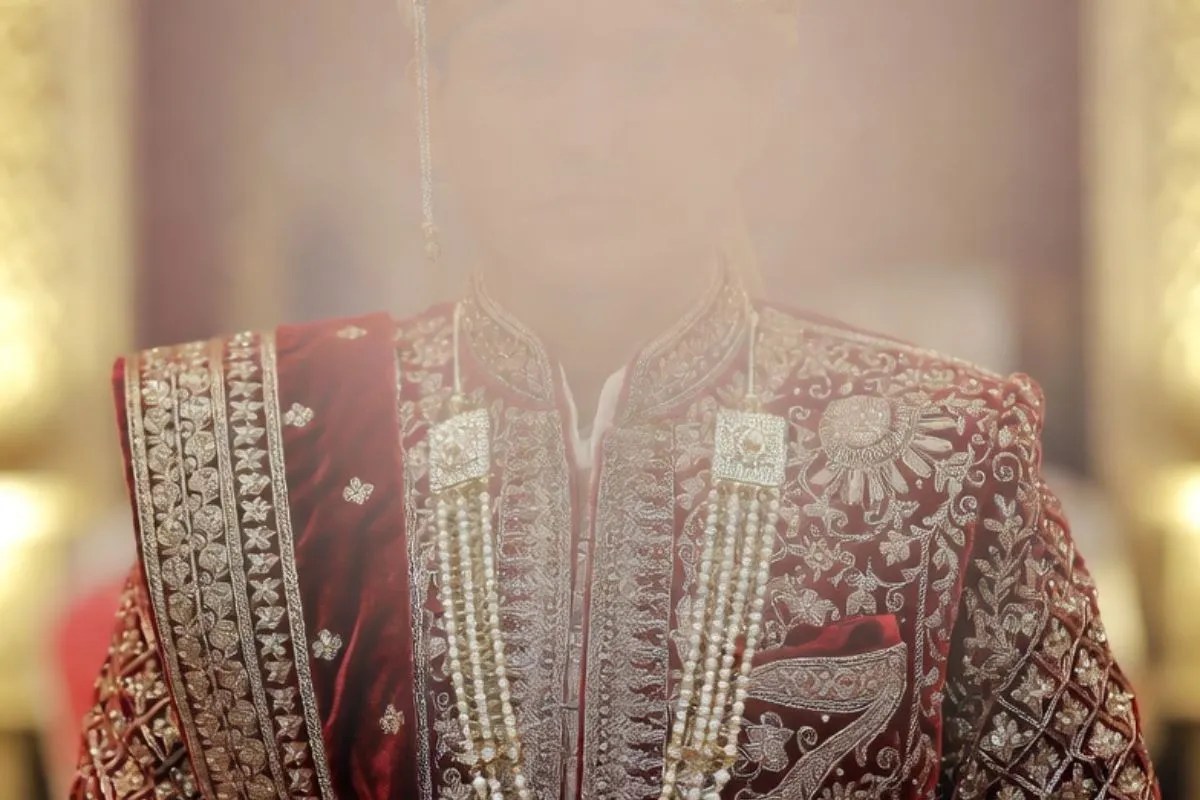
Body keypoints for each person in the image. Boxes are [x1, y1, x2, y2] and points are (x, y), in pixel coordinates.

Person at [71, 1, 1158, 798]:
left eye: (654, 61)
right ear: (435, 98)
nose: (590, 133)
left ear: (751, 100)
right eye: (529, 58)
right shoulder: (249, 454)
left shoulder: (946, 458)